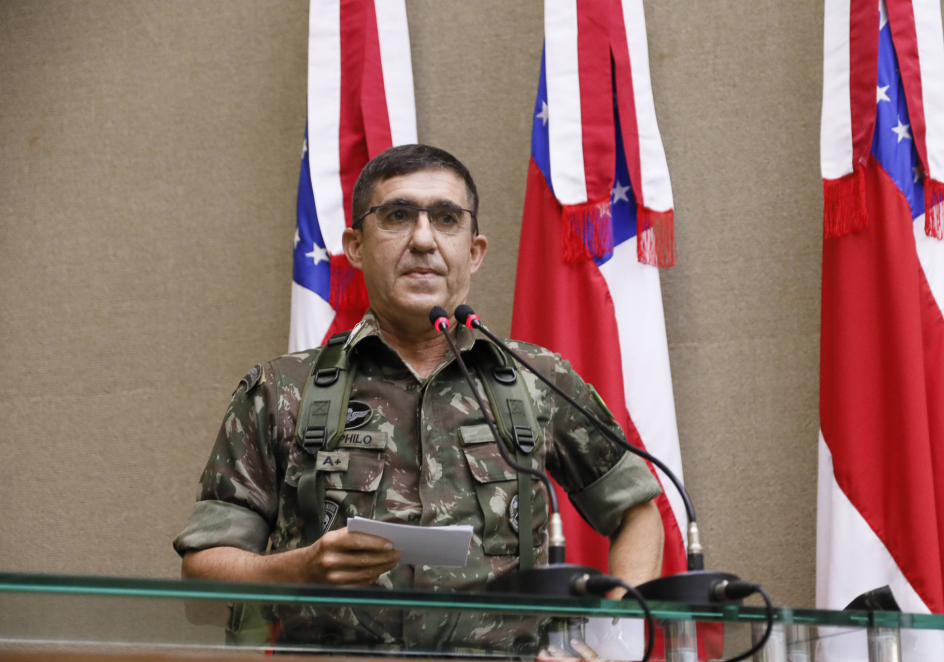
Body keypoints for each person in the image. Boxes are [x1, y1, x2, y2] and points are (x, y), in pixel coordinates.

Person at [174, 144, 664, 650]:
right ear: (355, 246)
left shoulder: (534, 379)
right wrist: (296, 569)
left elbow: (637, 513)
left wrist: (613, 643)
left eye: (447, 219)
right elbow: (202, 572)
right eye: (398, 216)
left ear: (474, 253)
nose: (424, 239)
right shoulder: (281, 391)